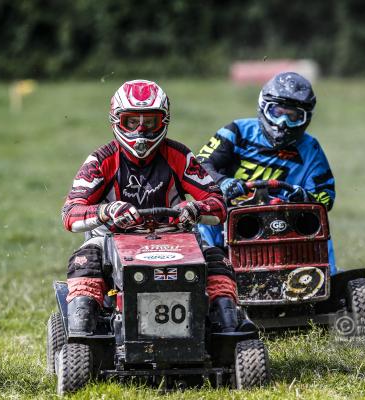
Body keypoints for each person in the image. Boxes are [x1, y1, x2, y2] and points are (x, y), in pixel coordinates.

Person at [60, 79, 239, 334]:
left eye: (150, 122)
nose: (141, 132)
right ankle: (82, 335)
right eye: (132, 122)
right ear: (117, 121)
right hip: (111, 238)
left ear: (163, 121)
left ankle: (226, 329)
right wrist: (105, 211)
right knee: (84, 261)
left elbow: (218, 203)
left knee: (217, 260)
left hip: (176, 237)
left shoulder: (180, 156)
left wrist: (195, 209)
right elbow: (70, 214)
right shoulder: (101, 160)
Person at [196, 72, 337, 274]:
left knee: (318, 225)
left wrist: (306, 198)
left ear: (305, 119)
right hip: (231, 214)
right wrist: (223, 182)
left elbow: (326, 196)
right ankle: (207, 274)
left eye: (293, 117)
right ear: (263, 107)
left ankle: (326, 278)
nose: (282, 123)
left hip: (287, 222)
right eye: (277, 112)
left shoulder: (311, 149)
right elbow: (200, 165)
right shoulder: (237, 131)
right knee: (205, 219)